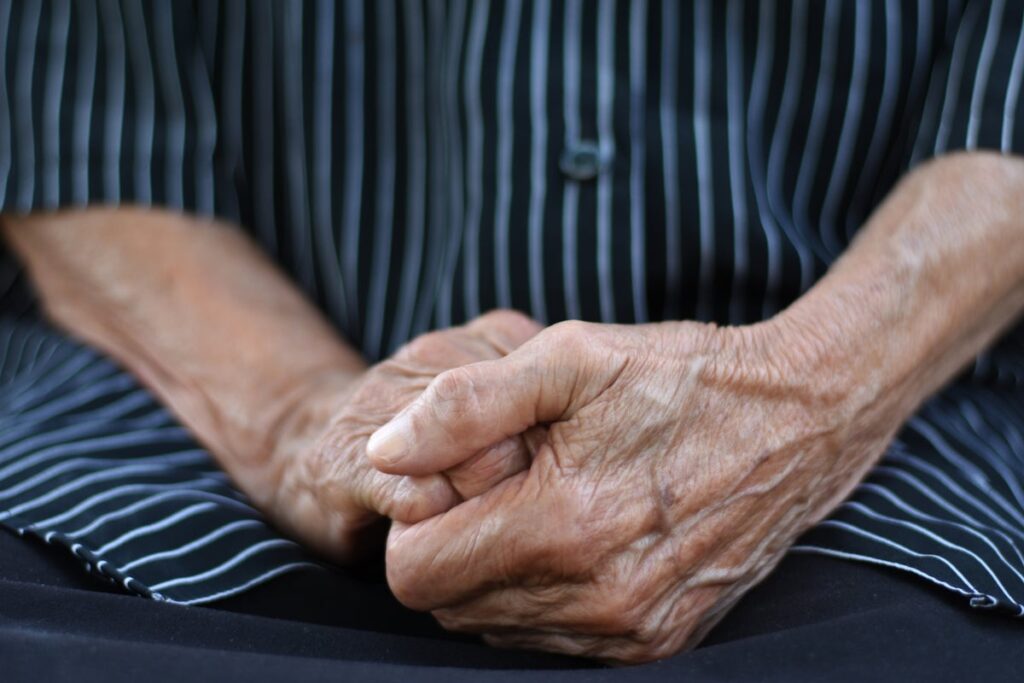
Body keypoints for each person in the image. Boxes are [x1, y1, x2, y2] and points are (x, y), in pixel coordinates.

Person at [0, 0, 1022, 678]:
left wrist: (808, 390)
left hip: (895, 443)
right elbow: (71, 111)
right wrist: (306, 428)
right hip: (186, 441)